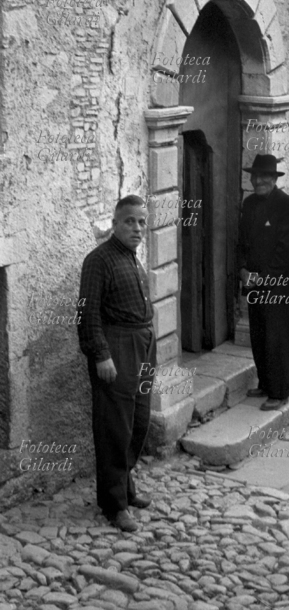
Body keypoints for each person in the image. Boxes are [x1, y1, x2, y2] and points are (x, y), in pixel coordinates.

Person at [78, 195, 156, 532]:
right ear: (115, 223)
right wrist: (101, 355)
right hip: (117, 348)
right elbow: (86, 313)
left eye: (141, 221)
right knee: (115, 426)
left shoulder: (133, 259)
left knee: (138, 421)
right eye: (129, 221)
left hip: (142, 346)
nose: (137, 228)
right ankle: (114, 504)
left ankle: (125, 486)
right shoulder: (98, 260)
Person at [238, 154, 289, 411]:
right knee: (259, 334)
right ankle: (265, 382)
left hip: (278, 287)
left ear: (274, 179)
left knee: (277, 338)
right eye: (255, 176)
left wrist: (263, 277)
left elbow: (286, 252)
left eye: (264, 176)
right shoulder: (250, 204)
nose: (258, 181)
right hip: (254, 284)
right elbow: (242, 241)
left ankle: (280, 392)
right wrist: (242, 269)